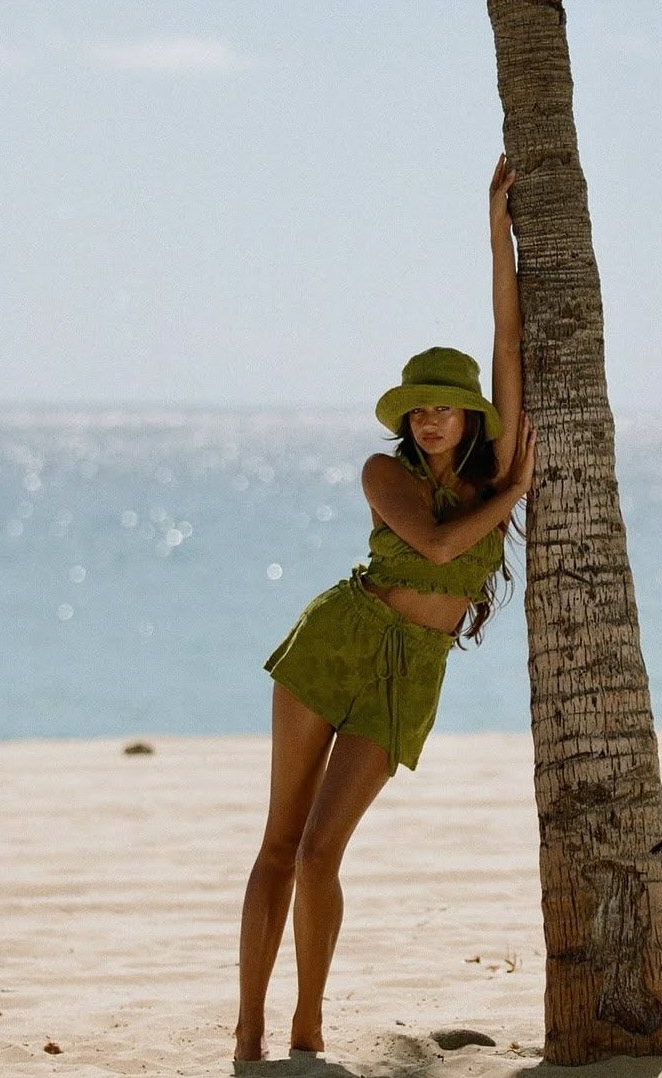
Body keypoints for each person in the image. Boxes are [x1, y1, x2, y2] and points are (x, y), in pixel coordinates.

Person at [233, 154, 536, 1064]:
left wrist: (498, 227)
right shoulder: (382, 474)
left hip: (414, 671)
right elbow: (441, 548)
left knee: (325, 852)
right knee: (280, 843)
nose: (429, 421)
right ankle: (251, 1029)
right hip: (338, 642)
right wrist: (512, 492)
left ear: (471, 415)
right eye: (417, 410)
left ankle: (306, 1027)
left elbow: (508, 343)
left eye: (446, 407)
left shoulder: (487, 466)